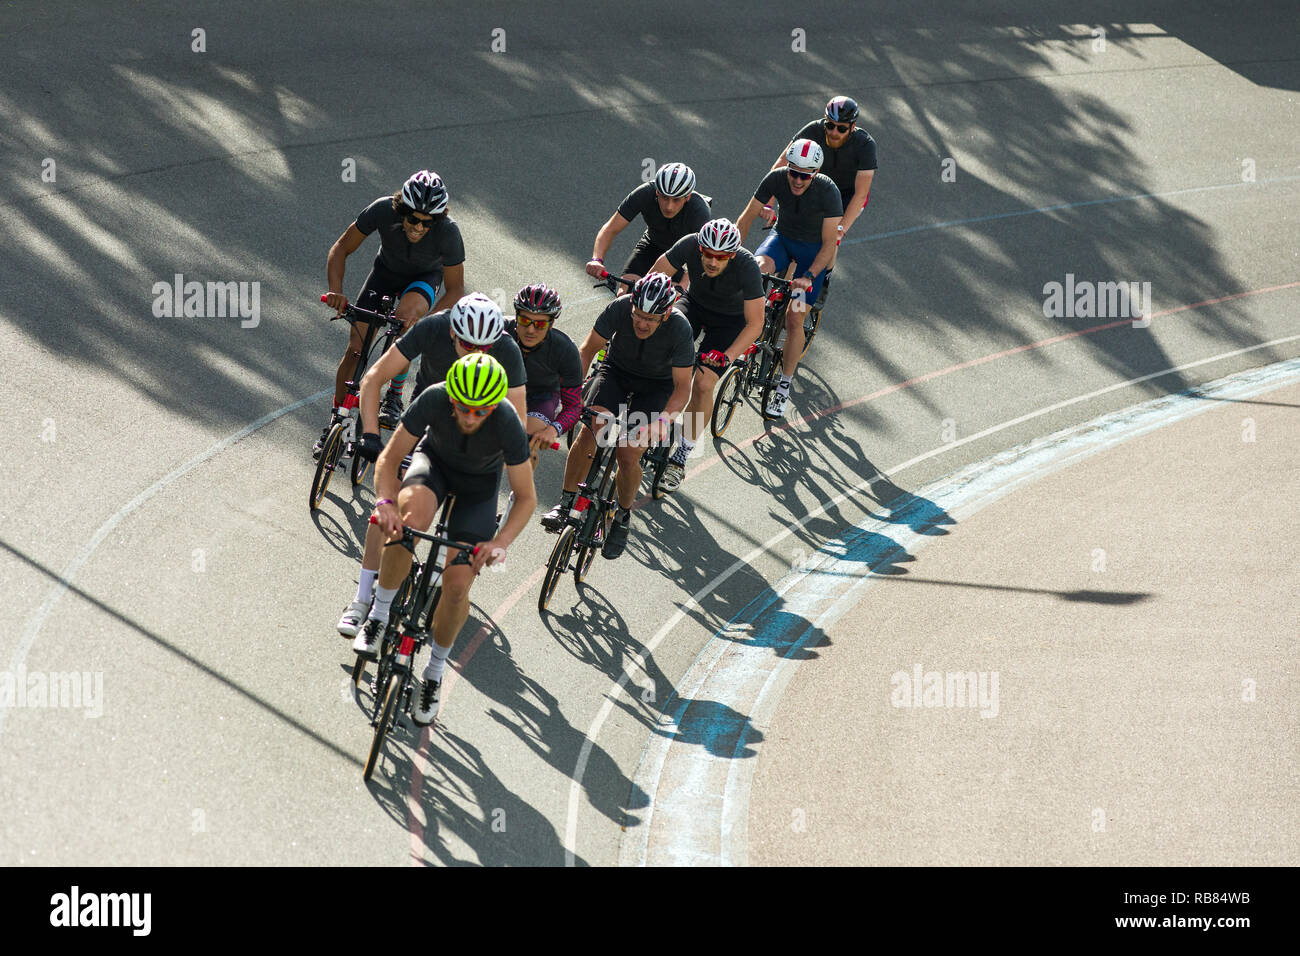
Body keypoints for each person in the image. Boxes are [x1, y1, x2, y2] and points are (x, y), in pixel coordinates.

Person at [358, 353, 536, 726]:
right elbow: (390, 459)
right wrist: (385, 502)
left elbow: (526, 497)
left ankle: (434, 674)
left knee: (456, 584)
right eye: (464, 408)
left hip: (478, 490)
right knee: (408, 523)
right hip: (433, 466)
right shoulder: (435, 397)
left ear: (494, 407)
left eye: (481, 411)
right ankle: (378, 614)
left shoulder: (506, 422)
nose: (471, 418)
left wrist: (499, 542)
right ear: (451, 398)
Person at [336, 293, 526, 637]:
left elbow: (515, 421)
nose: (474, 354)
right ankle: (362, 600)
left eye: (484, 349)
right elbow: (375, 378)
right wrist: (369, 434)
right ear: (452, 332)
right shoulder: (432, 328)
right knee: (390, 508)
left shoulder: (508, 351)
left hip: (477, 444)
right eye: (467, 344)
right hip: (430, 420)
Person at [539, 274, 694, 558]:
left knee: (627, 451)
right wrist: (571, 398)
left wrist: (662, 423)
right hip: (616, 372)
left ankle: (622, 516)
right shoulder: (620, 307)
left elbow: (683, 388)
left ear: (667, 313)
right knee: (592, 429)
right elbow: (586, 351)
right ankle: (565, 502)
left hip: (657, 387)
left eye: (651, 318)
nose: (642, 323)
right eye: (638, 315)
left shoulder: (680, 329)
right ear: (632, 304)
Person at [319, 170, 465, 456]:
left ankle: (395, 393)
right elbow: (341, 248)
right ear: (401, 210)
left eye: (428, 222)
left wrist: (429, 321)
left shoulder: (448, 232)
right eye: (413, 219)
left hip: (423, 279)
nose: (420, 227)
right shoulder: (383, 209)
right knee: (356, 349)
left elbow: (455, 289)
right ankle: (337, 420)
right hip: (384, 274)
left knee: (404, 318)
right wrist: (336, 290)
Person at [647, 219, 764, 491]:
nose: (712, 261)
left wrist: (727, 356)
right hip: (695, 305)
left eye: (721, 257)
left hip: (730, 323)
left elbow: (755, 323)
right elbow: (657, 274)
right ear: (700, 248)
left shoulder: (747, 267)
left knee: (703, 383)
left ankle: (680, 457)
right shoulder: (689, 243)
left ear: (732, 255)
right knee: (660, 350)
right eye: (708, 254)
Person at [735, 139, 842, 419]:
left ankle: (784, 385)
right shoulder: (776, 178)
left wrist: (808, 276)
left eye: (804, 176)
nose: (796, 180)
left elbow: (830, 243)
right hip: (782, 239)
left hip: (812, 252)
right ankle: (753, 326)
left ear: (815, 174)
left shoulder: (828, 191)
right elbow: (745, 219)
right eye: (793, 172)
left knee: (795, 319)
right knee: (756, 268)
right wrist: (728, 254)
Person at [770, 95, 877, 294]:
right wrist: (768, 204)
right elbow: (780, 166)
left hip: (846, 196)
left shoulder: (865, 145)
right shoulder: (812, 130)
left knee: (831, 236)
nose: (834, 132)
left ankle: (823, 284)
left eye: (842, 128)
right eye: (830, 125)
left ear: (852, 127)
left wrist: (841, 229)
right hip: (811, 186)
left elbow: (861, 194)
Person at [584, 163, 710, 292]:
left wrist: (683, 285)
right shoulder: (644, 193)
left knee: (665, 302)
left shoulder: (699, 210)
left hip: (679, 256)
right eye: (664, 197)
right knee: (625, 293)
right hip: (651, 244)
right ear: (657, 191)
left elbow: (704, 254)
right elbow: (610, 229)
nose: (669, 206)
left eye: (676, 200)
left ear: (687, 197)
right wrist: (597, 260)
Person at [504, 284, 584, 468]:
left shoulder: (565, 350)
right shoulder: (498, 331)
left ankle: (520, 494)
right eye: (525, 321)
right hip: (500, 390)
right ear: (516, 316)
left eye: (539, 324)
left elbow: (573, 406)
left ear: (551, 323)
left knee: (526, 440)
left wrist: (553, 429)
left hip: (540, 396)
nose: (531, 330)